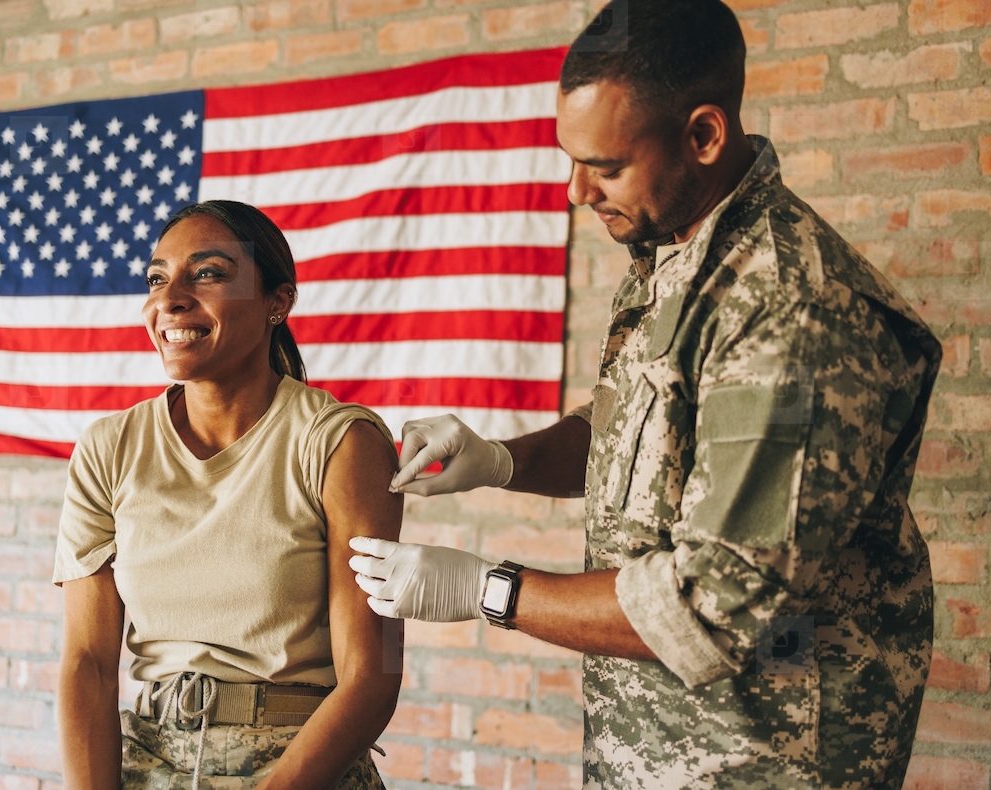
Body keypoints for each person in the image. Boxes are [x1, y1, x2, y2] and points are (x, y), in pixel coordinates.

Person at [349, 1, 942, 787]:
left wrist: (487, 590)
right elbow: (639, 434)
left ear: (703, 136)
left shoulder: (791, 310)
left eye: (606, 165)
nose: (575, 191)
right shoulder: (678, 250)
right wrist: (499, 460)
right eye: (571, 159)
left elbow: (711, 606)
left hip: (764, 761)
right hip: (654, 752)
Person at [54, 200, 403, 790]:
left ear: (278, 303)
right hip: (149, 764)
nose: (170, 299)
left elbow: (370, 677)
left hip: (301, 767)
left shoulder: (343, 443)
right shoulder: (109, 447)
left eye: (208, 273)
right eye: (158, 279)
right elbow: (87, 662)